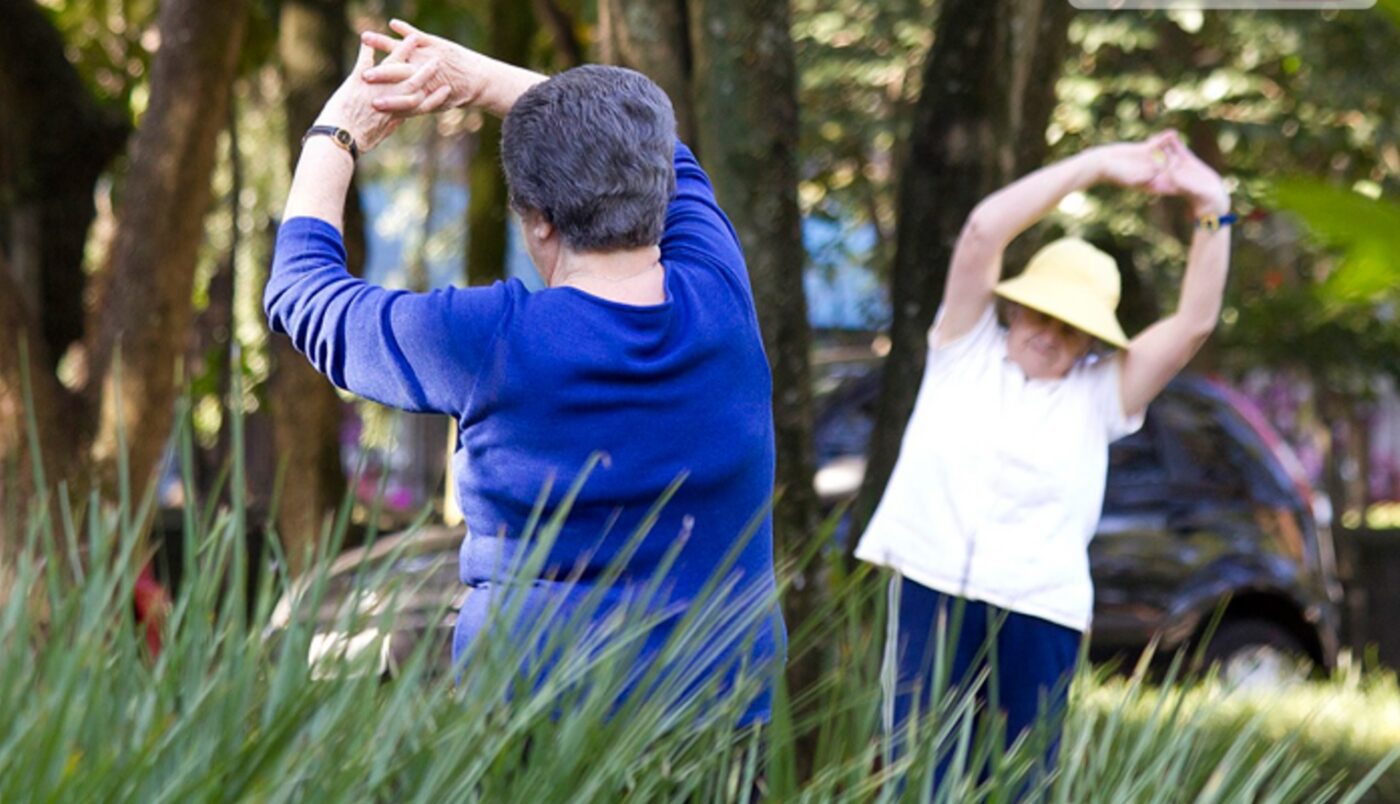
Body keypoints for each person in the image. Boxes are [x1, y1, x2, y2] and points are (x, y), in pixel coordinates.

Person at [264, 20, 785, 724]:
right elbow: (673, 155)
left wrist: (336, 135)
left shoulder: (491, 342)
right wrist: (480, 77)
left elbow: (301, 293)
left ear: (537, 221)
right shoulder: (718, 294)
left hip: (540, 737)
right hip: (725, 727)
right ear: (658, 192)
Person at [854, 130, 1233, 770]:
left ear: (1090, 342)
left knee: (1021, 783)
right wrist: (1093, 166)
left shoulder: (1101, 393)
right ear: (1015, 307)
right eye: (1040, 314)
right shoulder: (961, 349)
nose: (1049, 334)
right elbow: (981, 232)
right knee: (917, 776)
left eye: (1071, 327)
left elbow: (1194, 323)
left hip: (1039, 611)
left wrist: (1214, 203)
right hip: (931, 589)